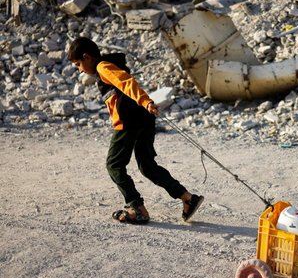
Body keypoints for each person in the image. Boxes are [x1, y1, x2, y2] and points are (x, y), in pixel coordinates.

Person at [67, 37, 204, 224]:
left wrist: (145, 101)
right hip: (144, 119)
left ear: (87, 57)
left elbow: (126, 83)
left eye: (78, 64)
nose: (80, 70)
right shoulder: (108, 65)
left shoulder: (102, 67)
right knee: (147, 166)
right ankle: (188, 198)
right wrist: (145, 104)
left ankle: (136, 208)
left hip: (129, 122)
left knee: (114, 165)